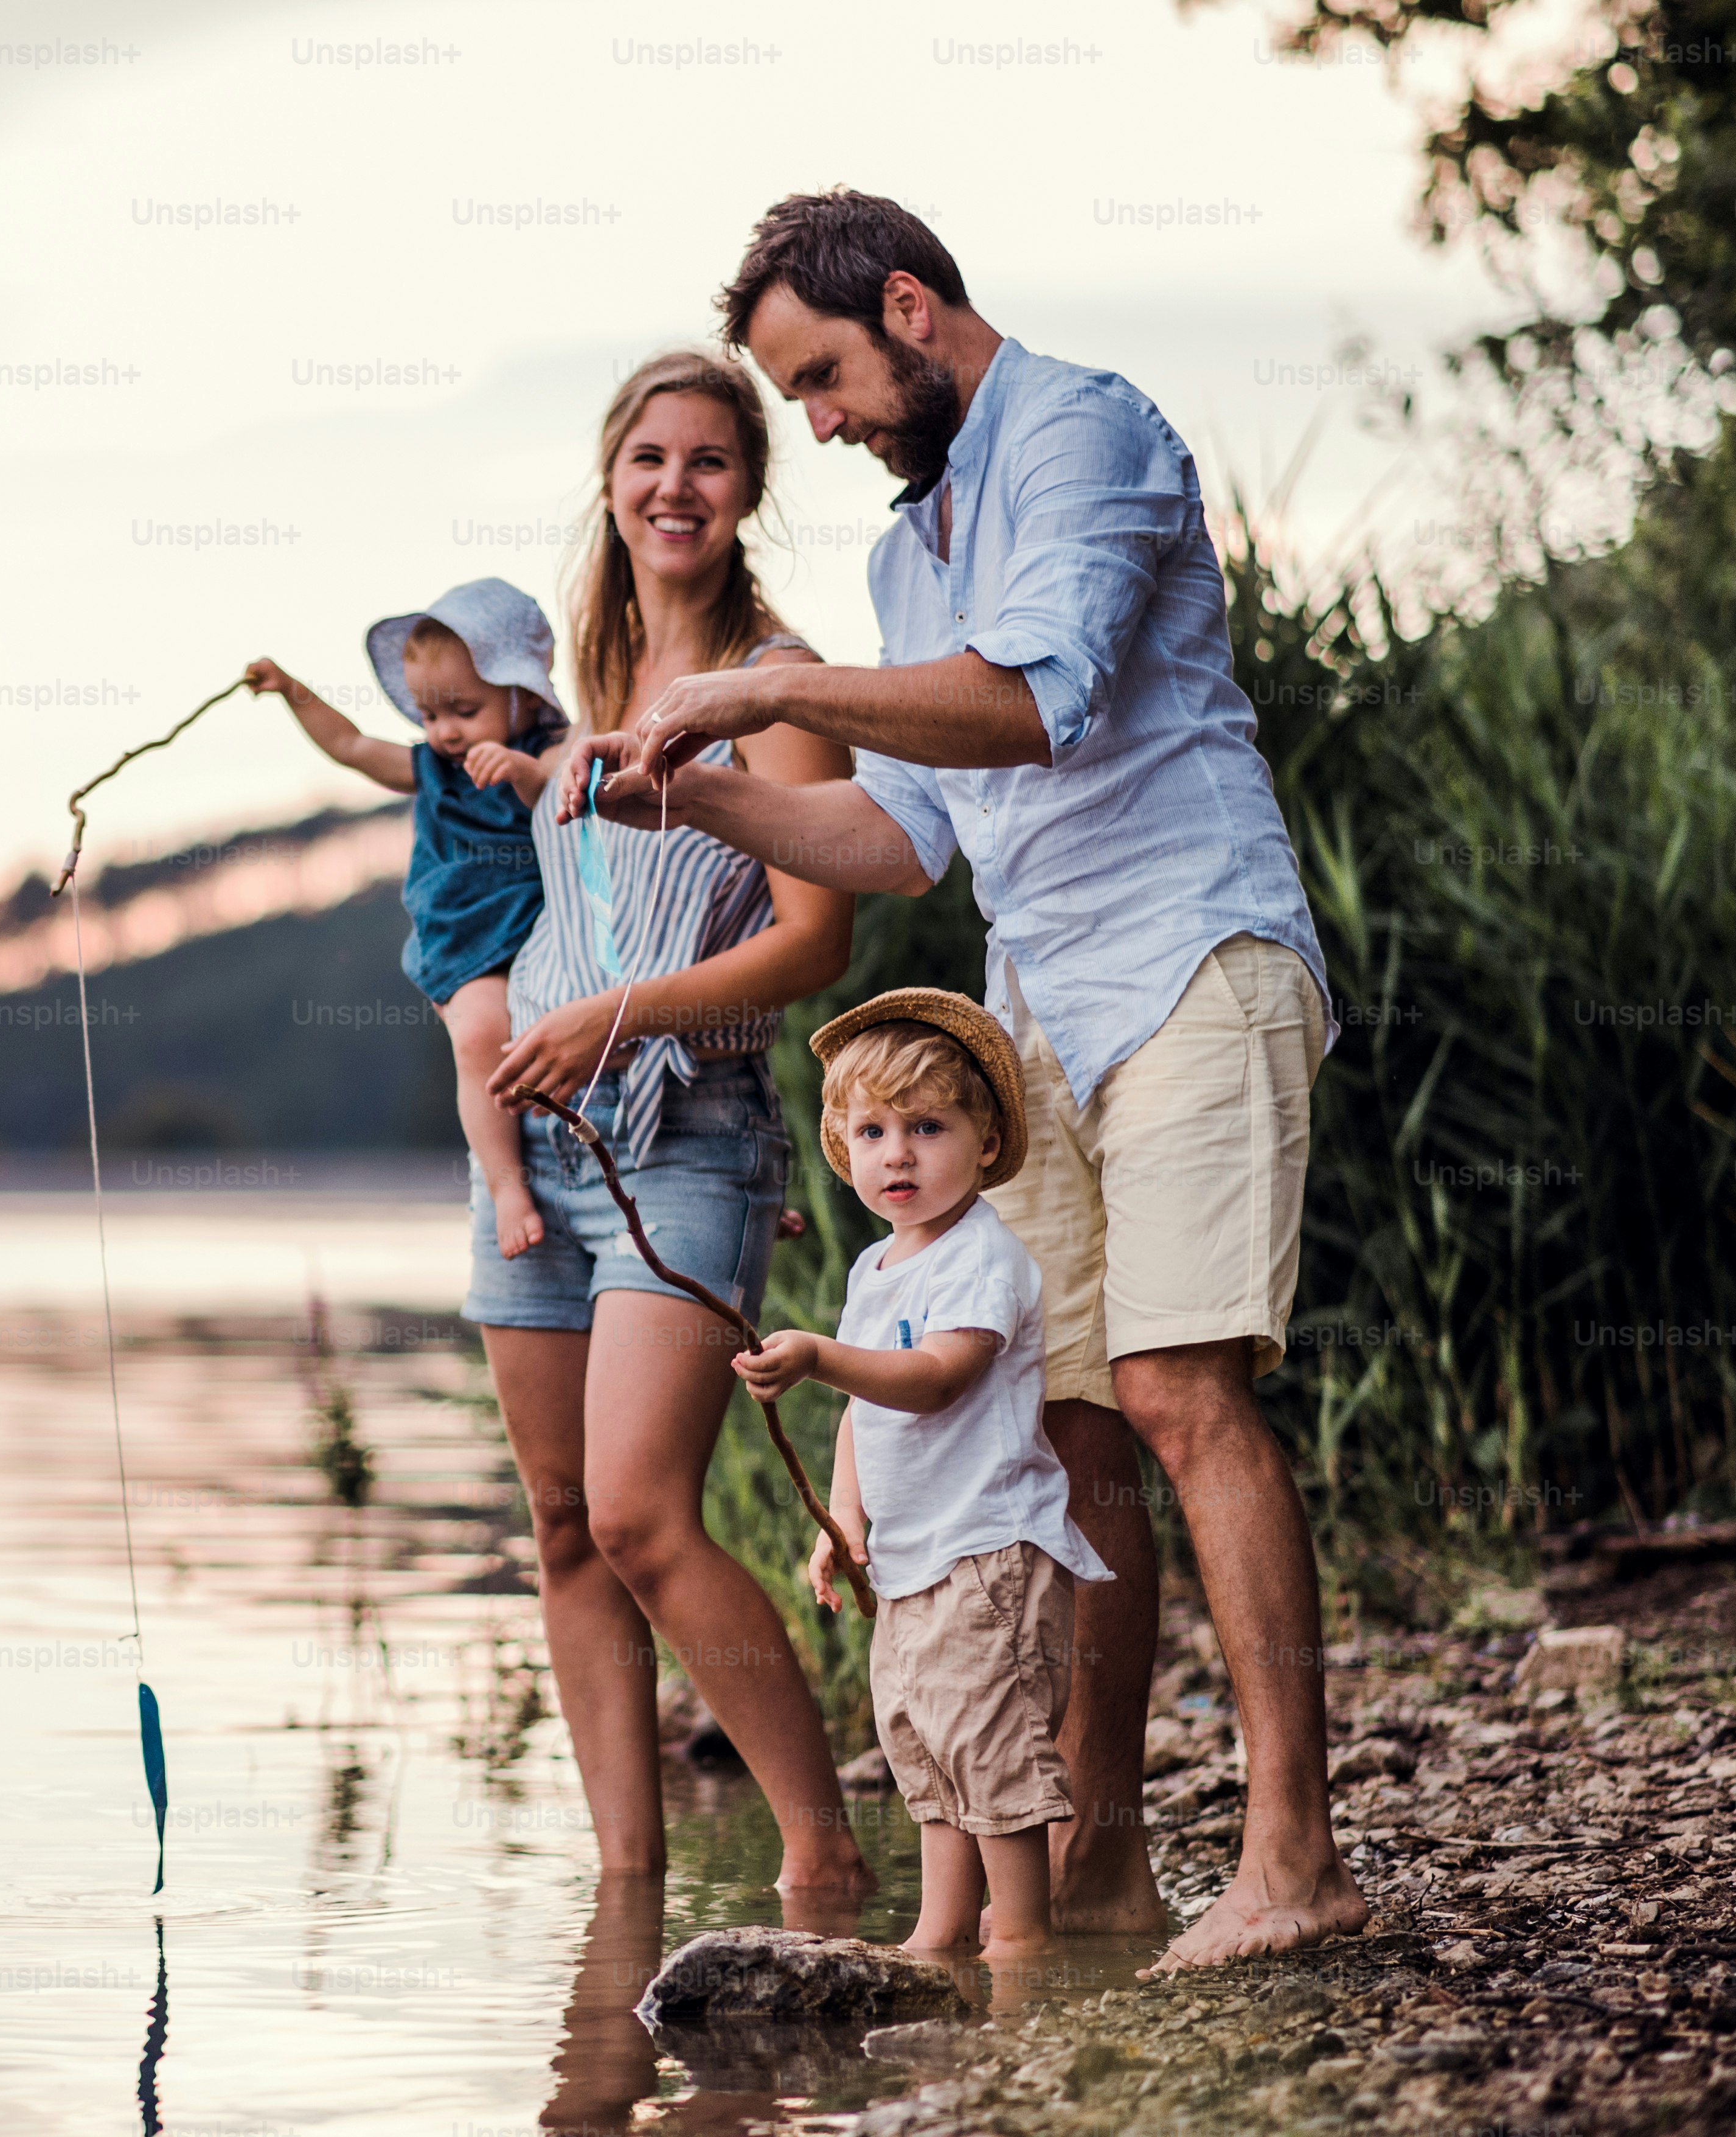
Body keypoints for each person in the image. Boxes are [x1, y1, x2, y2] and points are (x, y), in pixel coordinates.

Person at [565, 191, 1369, 1969]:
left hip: (1187, 957)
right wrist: (685, 789)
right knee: (1061, 1428)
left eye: (824, 379)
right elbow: (895, 830)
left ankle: (1293, 1856)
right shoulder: (899, 561)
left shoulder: (1086, 429)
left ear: (912, 307)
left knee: (1173, 1387)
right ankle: (1091, 1871)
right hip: (1033, 1012)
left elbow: (1033, 703)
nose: (823, 423)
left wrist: (755, 684)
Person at [470, 349, 863, 1891]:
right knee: (563, 1525)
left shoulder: (781, 686)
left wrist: (616, 1016)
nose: (673, 486)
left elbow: (817, 939)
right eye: (647, 457)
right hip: (535, 1144)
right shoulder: (582, 695)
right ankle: (622, 1895)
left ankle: (821, 1849)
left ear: (748, 488)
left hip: (688, 1130)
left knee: (639, 1510)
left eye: (708, 459)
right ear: (611, 478)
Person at [735, 990, 1109, 1958]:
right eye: (873, 1130)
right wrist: (842, 1517)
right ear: (844, 1146)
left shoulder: (982, 1257)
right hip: (910, 1563)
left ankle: (1022, 1942)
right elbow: (867, 1414)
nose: (897, 1152)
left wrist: (818, 1354)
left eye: (927, 1127)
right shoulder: (874, 1270)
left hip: (988, 1557)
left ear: (985, 1142)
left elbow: (938, 1379)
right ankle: (940, 1937)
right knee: (930, 1749)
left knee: (994, 1755)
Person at [247, 580, 563, 1256]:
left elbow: (568, 793)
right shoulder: (433, 769)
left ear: (525, 695)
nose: (446, 731)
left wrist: (522, 772)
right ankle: (508, 1185)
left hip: (550, 935)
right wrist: (291, 689)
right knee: (481, 1035)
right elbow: (354, 747)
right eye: (429, 715)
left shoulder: (553, 752)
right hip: (470, 942)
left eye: (465, 711)